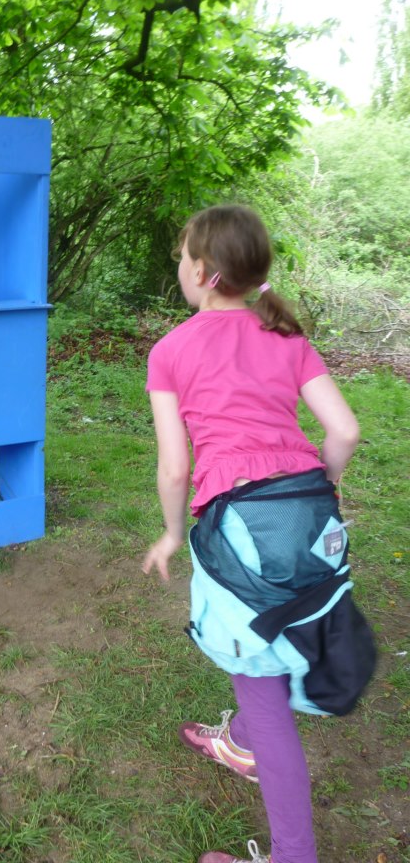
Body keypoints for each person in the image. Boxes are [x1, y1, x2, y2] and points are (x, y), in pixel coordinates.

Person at [142, 205, 368, 863]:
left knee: (261, 680)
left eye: (184, 256)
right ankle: (240, 740)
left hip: (240, 529)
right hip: (309, 513)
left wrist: (165, 531)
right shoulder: (286, 335)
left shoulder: (171, 352)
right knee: (294, 627)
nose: (180, 266)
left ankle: (293, 853)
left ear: (206, 273)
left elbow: (176, 466)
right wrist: (317, 489)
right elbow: (345, 431)